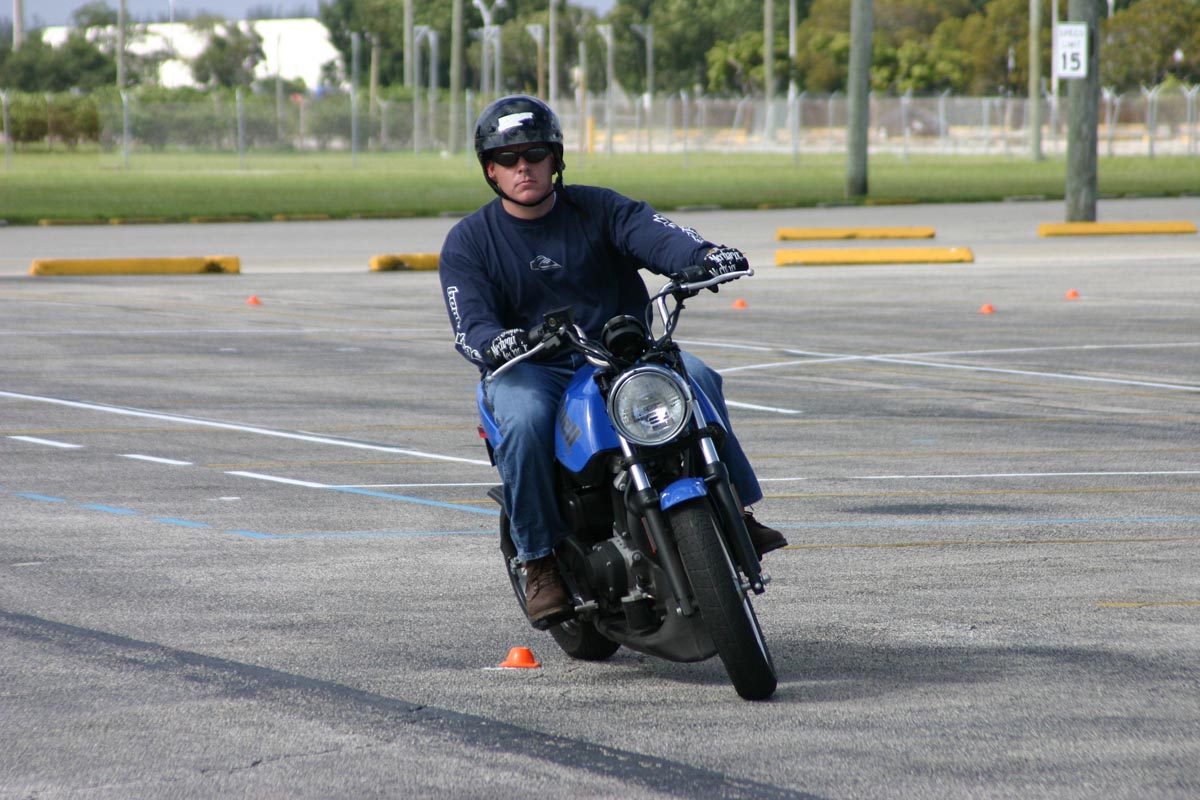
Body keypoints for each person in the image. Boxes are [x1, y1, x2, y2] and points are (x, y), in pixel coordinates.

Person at [438, 95, 787, 628]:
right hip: (531, 368)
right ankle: (539, 561)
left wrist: (703, 257)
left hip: (619, 354)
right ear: (491, 170)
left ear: (555, 159)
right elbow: (470, 324)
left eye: (534, 154)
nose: (522, 166)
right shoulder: (470, 241)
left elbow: (658, 236)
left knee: (697, 376)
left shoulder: (599, 208)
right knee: (525, 420)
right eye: (507, 158)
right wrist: (497, 342)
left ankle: (735, 510)